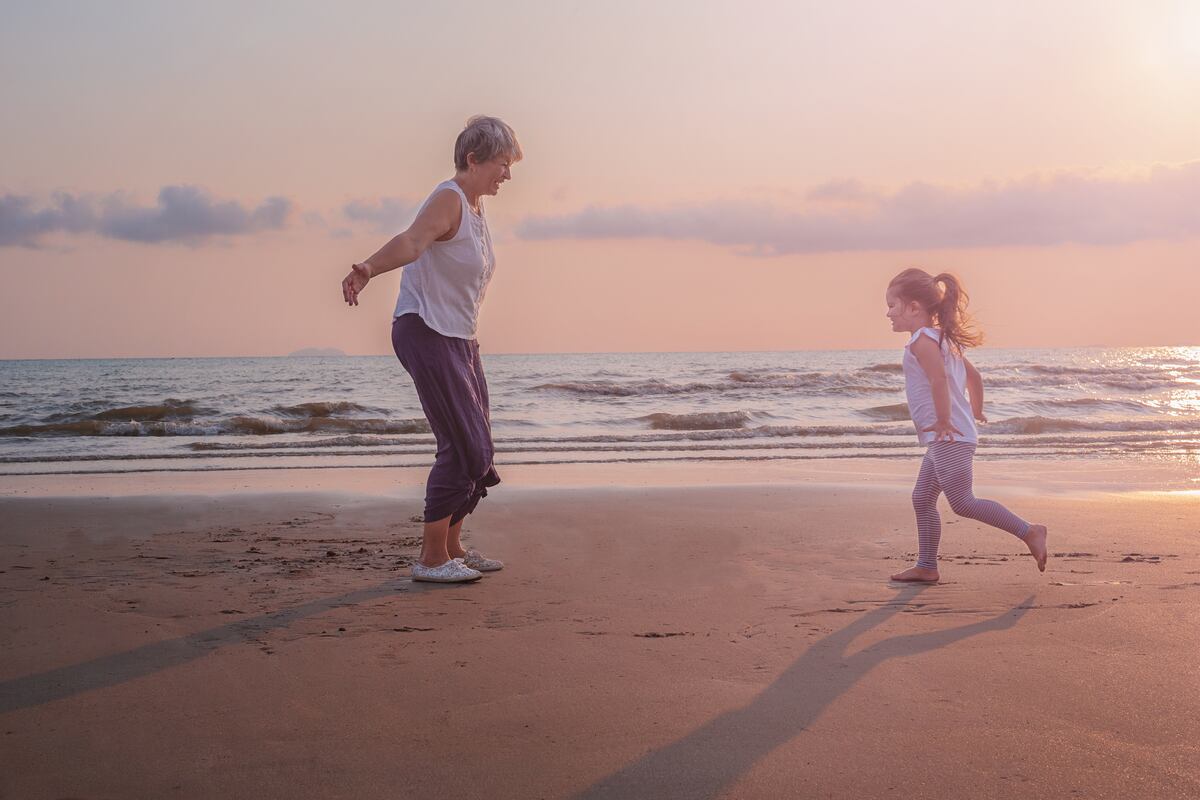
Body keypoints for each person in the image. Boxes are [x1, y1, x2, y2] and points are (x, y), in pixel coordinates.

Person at [341, 115, 522, 583]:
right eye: (502, 163)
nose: (508, 174)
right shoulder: (449, 199)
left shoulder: (477, 209)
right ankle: (431, 558)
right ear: (473, 159)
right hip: (425, 330)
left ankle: (454, 547)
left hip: (459, 336)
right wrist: (367, 268)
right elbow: (413, 241)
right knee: (461, 446)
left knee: (477, 447)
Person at [884, 268, 1048, 582]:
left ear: (914, 307)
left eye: (893, 304)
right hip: (948, 436)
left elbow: (938, 379)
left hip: (948, 436)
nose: (888, 312)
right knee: (922, 499)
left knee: (962, 502)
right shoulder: (944, 340)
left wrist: (945, 420)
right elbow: (974, 377)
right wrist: (975, 410)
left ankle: (1030, 532)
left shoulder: (922, 340)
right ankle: (927, 566)